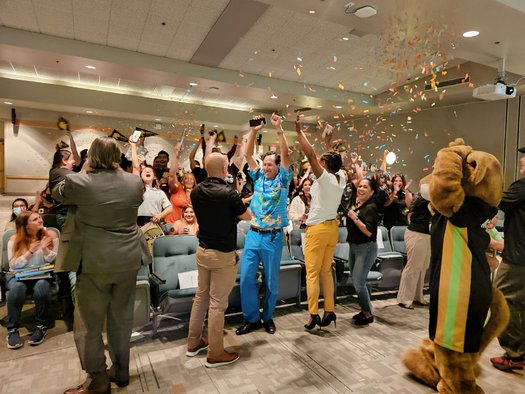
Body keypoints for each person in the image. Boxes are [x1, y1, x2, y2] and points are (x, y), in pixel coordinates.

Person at [54, 137, 147, 394]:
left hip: (94, 262)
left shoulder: (79, 181)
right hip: (128, 260)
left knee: (87, 324)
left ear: (90, 156)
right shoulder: (134, 181)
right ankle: (121, 371)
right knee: (121, 320)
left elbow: (56, 192)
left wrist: (83, 168)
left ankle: (98, 378)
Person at [186, 152, 251, 368]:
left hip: (203, 250)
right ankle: (215, 353)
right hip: (222, 254)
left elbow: (215, 212)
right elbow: (247, 216)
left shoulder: (196, 191)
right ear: (225, 169)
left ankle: (193, 343)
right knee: (217, 304)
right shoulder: (228, 193)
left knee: (200, 298)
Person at [236, 113, 292, 336]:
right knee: (247, 279)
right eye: (265, 164)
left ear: (278, 166)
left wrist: (279, 130)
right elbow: (248, 154)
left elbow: (286, 154)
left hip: (273, 237)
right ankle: (251, 318)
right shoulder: (258, 176)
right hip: (254, 235)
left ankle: (268, 317)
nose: (267, 167)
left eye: (270, 164)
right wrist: (255, 131)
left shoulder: (283, 179)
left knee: (271, 281)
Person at [293, 114, 346, 330]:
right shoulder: (341, 177)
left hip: (317, 230)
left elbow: (311, 155)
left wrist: (299, 132)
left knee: (312, 273)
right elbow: (328, 159)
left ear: (325, 165)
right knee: (326, 271)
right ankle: (330, 310)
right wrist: (328, 142)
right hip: (332, 228)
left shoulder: (324, 179)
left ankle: (313, 314)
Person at [490, 146, 525, 372]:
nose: (521, 161)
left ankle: (515, 353)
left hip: (518, 259)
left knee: (499, 297)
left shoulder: (522, 187)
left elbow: (495, 199)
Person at [5, 211, 59, 349]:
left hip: (41, 274)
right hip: (18, 274)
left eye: (39, 217)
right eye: (35, 219)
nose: (40, 220)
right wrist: (30, 252)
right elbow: (13, 265)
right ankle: (12, 330)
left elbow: (54, 260)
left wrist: (45, 249)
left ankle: (41, 326)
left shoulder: (50, 235)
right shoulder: (14, 239)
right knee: (17, 288)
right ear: (26, 226)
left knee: (41, 287)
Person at [346, 177, 380, 326]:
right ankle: (364, 309)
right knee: (356, 281)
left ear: (372, 192)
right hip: (353, 246)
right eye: (360, 186)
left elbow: (369, 232)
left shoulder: (371, 208)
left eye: (365, 187)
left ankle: (367, 313)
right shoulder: (357, 205)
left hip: (366, 248)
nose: (361, 189)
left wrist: (355, 219)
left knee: (359, 282)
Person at [396, 192, 432, 309]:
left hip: (426, 234)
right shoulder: (423, 199)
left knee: (423, 266)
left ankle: (417, 296)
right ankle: (404, 298)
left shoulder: (428, 198)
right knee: (413, 266)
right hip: (417, 233)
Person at [130, 138, 173, 227]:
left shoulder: (159, 192)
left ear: (154, 177)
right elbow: (135, 166)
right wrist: (133, 145)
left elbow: (169, 208)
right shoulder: (139, 188)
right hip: (137, 224)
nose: (147, 171)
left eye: (150, 171)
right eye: (145, 171)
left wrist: (159, 216)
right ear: (140, 176)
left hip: (154, 224)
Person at [166, 144, 197, 223]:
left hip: (188, 227)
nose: (189, 181)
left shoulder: (197, 194)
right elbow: (172, 175)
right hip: (171, 224)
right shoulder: (177, 188)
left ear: (194, 182)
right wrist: (176, 155)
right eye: (186, 179)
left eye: (191, 179)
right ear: (182, 181)